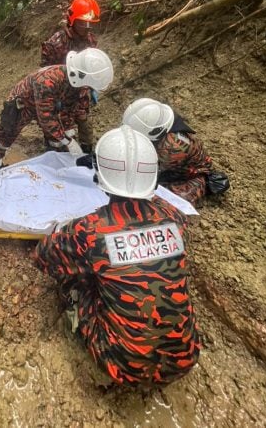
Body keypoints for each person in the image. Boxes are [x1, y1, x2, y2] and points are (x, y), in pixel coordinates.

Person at [35, 126, 201, 386]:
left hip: (123, 365)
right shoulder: (175, 218)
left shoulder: (89, 230)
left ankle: (83, 322)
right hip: (185, 359)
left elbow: (44, 258)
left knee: (75, 276)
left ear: (99, 174)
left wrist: (64, 233)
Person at [0, 48, 113, 161]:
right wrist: (69, 142)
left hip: (50, 103)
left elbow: (77, 110)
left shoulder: (79, 85)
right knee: (7, 135)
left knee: (57, 140)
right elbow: (46, 117)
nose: (88, 90)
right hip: (24, 104)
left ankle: (53, 156)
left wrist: (80, 141)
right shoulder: (47, 81)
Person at [122, 98, 213, 206]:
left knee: (165, 203)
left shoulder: (171, 148)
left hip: (192, 176)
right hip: (172, 167)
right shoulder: (161, 120)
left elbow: (150, 172)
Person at [40, 0, 100, 67]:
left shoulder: (91, 40)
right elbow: (45, 71)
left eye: (90, 23)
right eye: (82, 23)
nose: (86, 27)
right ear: (72, 21)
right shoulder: (55, 43)